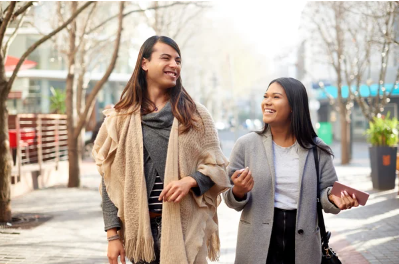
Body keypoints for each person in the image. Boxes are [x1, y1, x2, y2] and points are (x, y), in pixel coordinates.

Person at [92, 36, 230, 264]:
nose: (174, 65)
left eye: (178, 60)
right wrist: (112, 235)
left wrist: (190, 181)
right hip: (140, 236)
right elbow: (108, 180)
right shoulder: (120, 118)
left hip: (185, 231)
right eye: (166, 58)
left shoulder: (195, 116)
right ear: (144, 63)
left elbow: (218, 170)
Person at [223, 77, 359, 264]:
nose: (267, 102)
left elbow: (327, 192)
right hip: (257, 241)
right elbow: (230, 199)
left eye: (276, 97)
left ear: (294, 106)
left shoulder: (317, 149)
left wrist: (334, 198)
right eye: (265, 96)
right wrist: (239, 190)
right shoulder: (246, 145)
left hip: (303, 241)